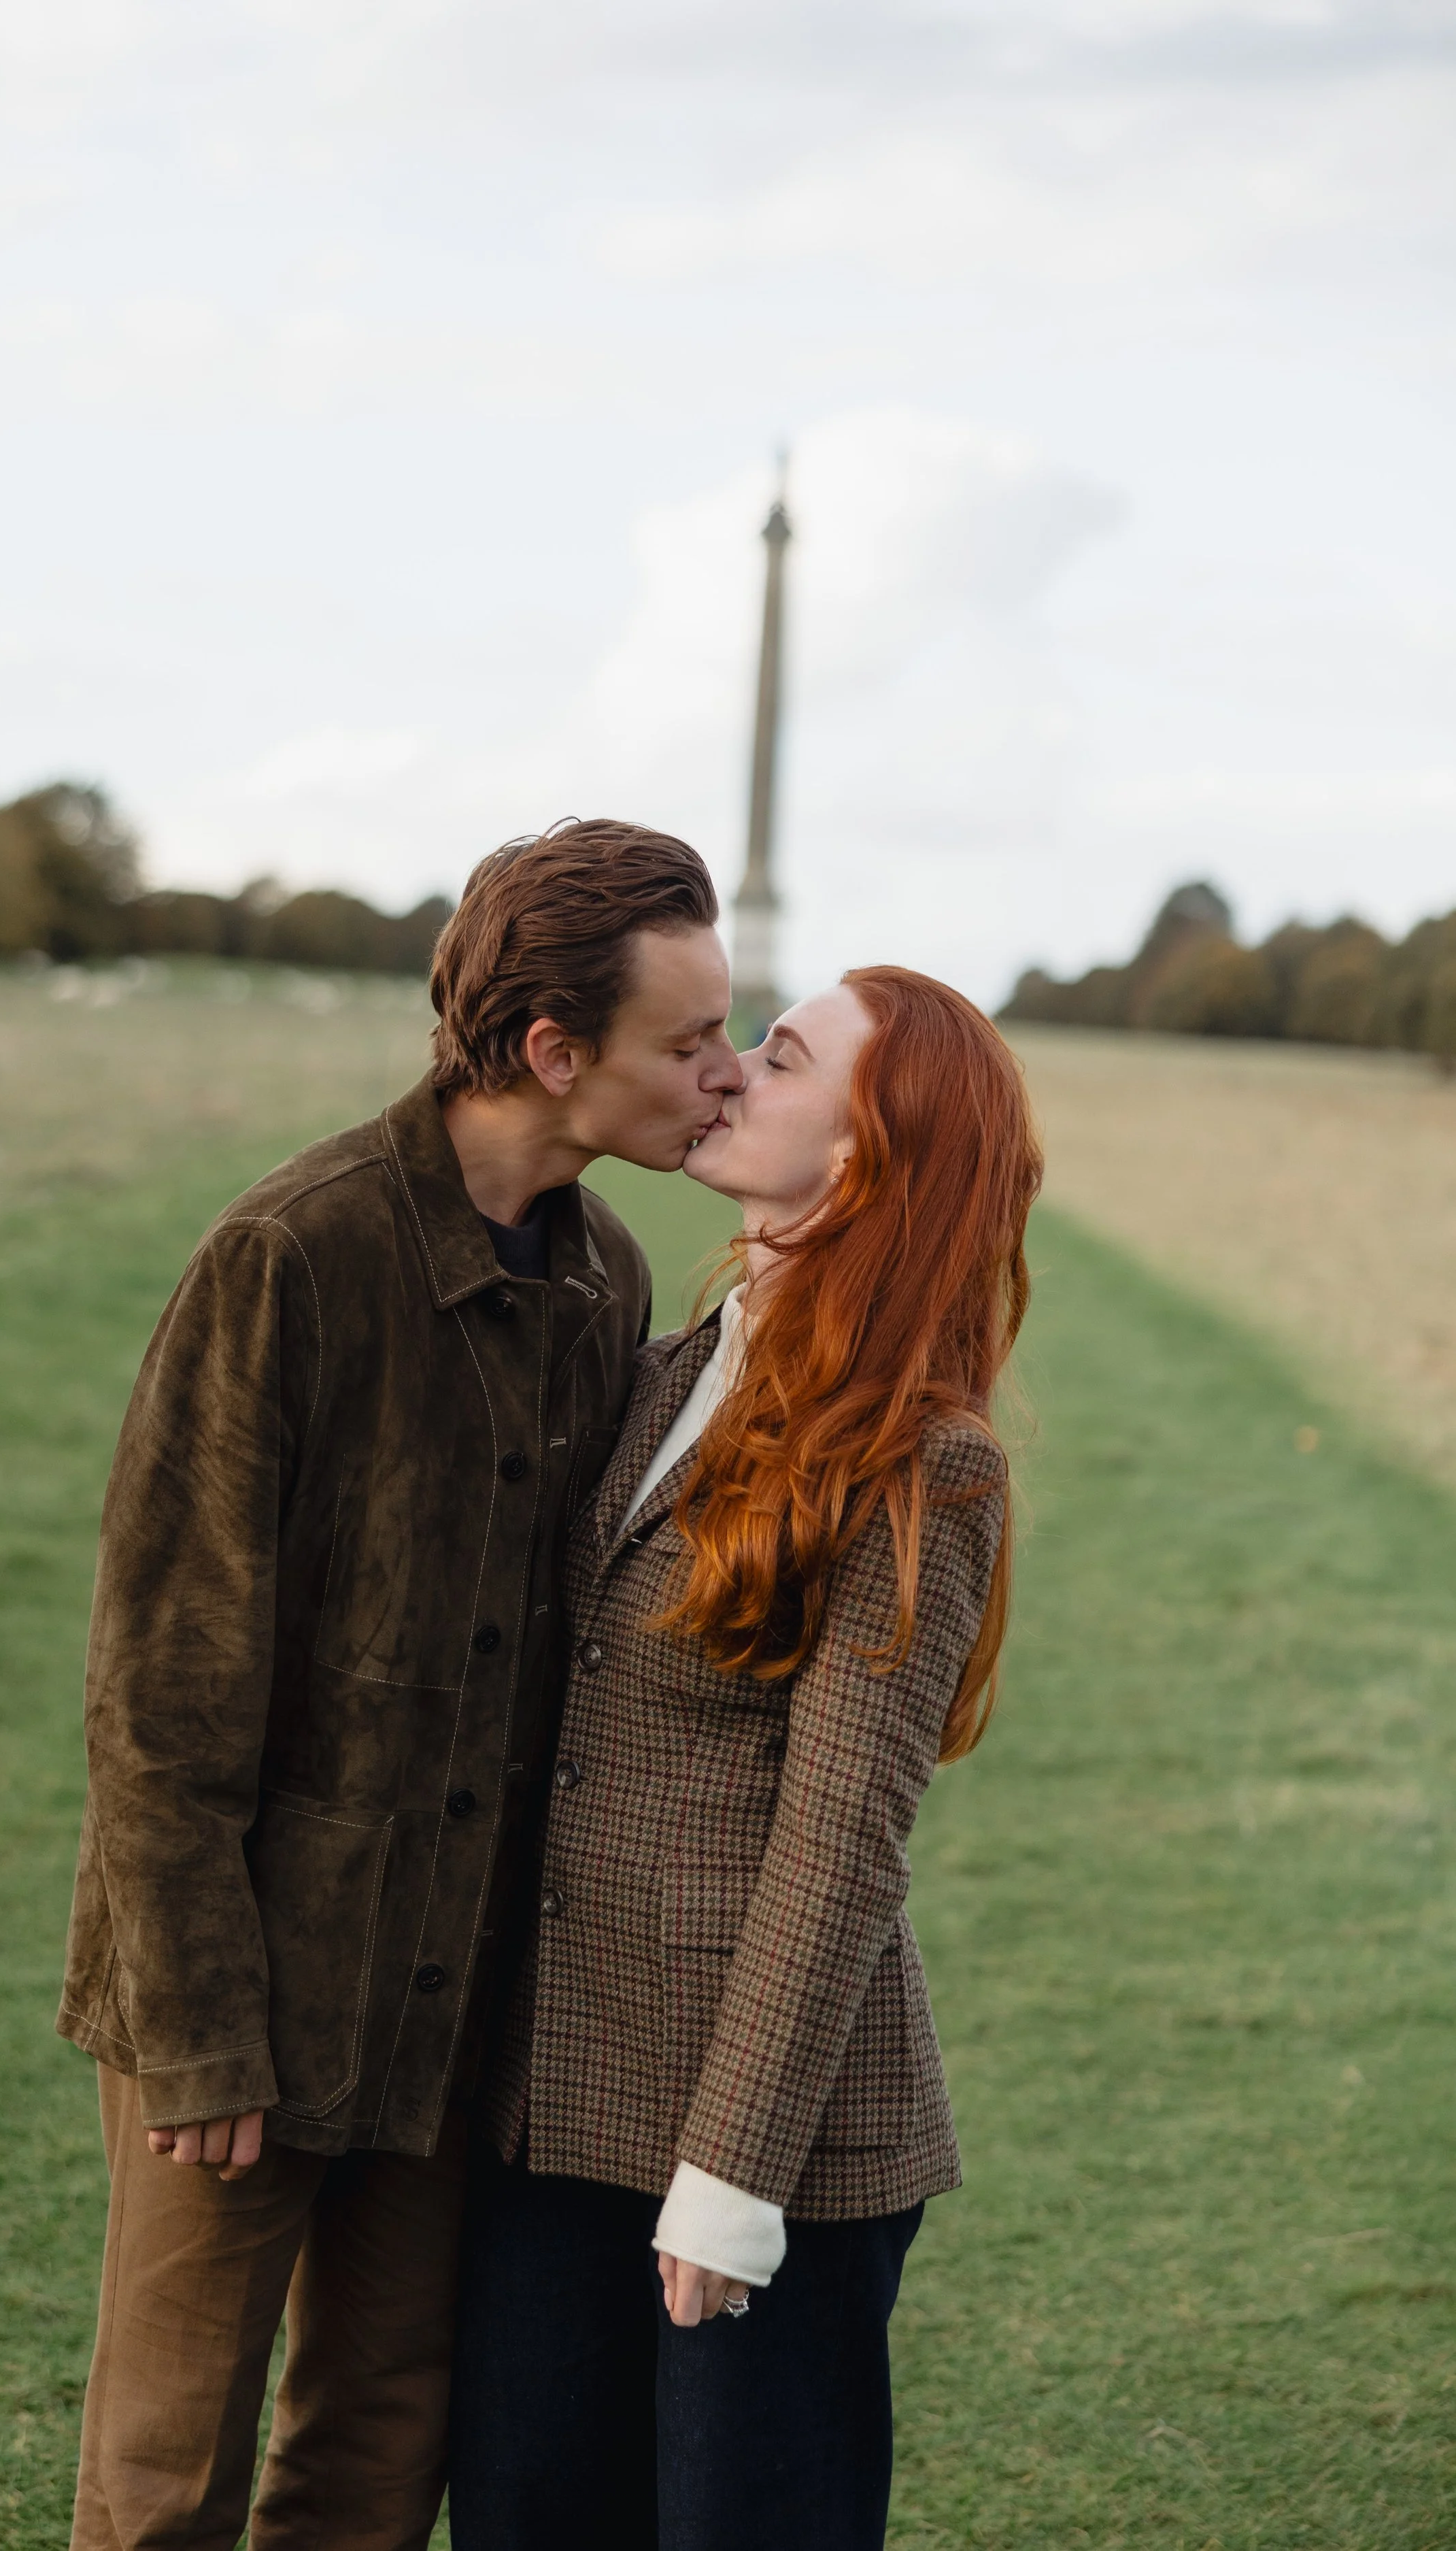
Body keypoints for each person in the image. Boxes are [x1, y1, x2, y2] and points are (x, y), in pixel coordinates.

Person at [56, 817, 743, 2551]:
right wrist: (203, 2035)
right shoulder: (289, 1257)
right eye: (688, 1042)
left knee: (375, 2459)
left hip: (454, 2006)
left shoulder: (607, 1278)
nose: (720, 1078)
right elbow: (161, 1696)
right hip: (242, 1995)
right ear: (549, 1050)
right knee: (165, 2482)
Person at [450, 965, 1043, 2551]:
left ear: (862, 1161)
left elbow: (840, 1838)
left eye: (775, 1060)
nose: (725, 1076)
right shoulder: (659, 1365)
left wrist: (727, 2174)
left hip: (770, 2142)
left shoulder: (928, 1463)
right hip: (556, 2095)